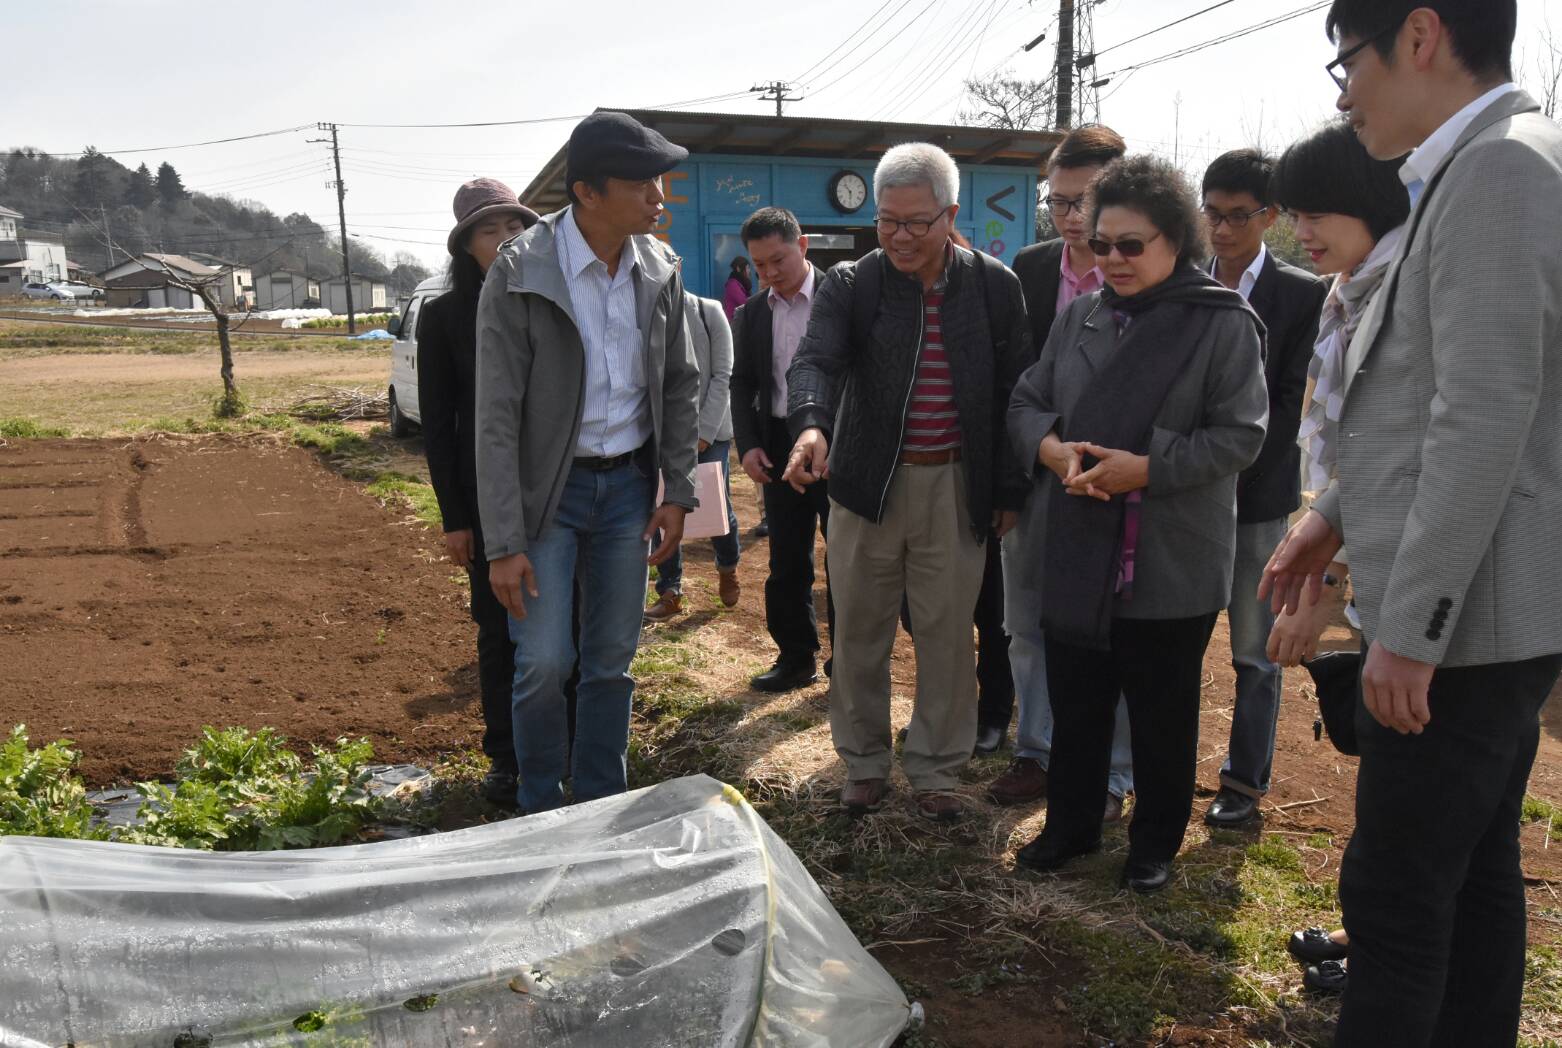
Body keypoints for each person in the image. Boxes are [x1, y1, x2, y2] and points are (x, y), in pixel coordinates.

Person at [1262, 2, 1562, 1042]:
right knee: (1470, 878)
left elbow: (1484, 416)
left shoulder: (1498, 170)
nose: (1344, 90)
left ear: (1420, 36)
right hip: (1479, 617)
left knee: (1394, 896)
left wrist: (1410, 631)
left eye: (1347, 59)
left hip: (1467, 626)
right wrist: (1332, 515)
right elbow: (1429, 397)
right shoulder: (1477, 167)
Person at [1010, 155, 1267, 892]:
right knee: (1078, 701)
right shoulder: (1081, 316)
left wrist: (1146, 468)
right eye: (1101, 244)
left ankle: (1154, 843)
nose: (1113, 260)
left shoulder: (1221, 323)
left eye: (1132, 244)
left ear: (1175, 240)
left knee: (1161, 713)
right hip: (1078, 544)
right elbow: (1026, 401)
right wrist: (1054, 450)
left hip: (1169, 554)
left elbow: (1241, 437)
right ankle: (1071, 826)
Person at [784, 142, 1029, 822]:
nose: (898, 236)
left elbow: (1017, 391)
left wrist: (1008, 488)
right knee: (859, 631)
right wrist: (811, 425)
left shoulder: (994, 287)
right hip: (866, 487)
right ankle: (864, 762)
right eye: (887, 221)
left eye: (916, 222)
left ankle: (936, 768)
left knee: (947, 636)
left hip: (955, 485)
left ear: (950, 215)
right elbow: (815, 360)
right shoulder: (852, 284)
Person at [475, 111, 701, 814]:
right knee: (544, 662)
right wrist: (503, 541)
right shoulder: (521, 272)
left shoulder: (657, 269)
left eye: (660, 181)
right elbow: (495, 416)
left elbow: (680, 383)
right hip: (550, 496)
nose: (659, 197)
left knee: (610, 662)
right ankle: (540, 808)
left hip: (628, 489)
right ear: (587, 192)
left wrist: (677, 491)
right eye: (641, 184)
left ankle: (603, 804)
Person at [1263, 117, 1412, 998]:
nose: (1302, 230)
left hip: (1413, 586)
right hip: (1360, 555)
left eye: (1315, 212)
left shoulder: (1408, 295)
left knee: (1414, 808)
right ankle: (1372, 939)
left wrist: (1326, 586)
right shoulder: (1350, 291)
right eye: (1297, 212)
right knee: (1391, 790)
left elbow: (1396, 467)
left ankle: (1388, 968)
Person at [993, 124, 1135, 819]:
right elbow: (1014, 380)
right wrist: (1025, 467)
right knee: (1026, 623)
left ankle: (1111, 771)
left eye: (1086, 201)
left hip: (1121, 485)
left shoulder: (1146, 271)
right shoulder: (1030, 267)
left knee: (1113, 634)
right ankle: (1037, 750)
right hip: (1040, 472)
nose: (1072, 217)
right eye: (1058, 201)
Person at [1199, 150, 1328, 828]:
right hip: (1185, 502)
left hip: (1255, 502)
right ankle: (1144, 771)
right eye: (1212, 214)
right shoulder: (1184, 282)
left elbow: (1288, 403)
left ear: (1269, 215)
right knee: (1170, 642)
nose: (1221, 230)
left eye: (1237, 216)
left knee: (1255, 652)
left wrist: (1220, 464)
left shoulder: (1302, 294)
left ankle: (1243, 785)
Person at [417, 178, 539, 808]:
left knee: (564, 622)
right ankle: (507, 757)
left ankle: (562, 744)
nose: (506, 239)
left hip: (556, 488)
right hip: (486, 497)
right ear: (466, 246)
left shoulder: (551, 297)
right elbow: (439, 426)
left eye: (516, 226)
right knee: (499, 627)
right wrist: (455, 518)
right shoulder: (444, 317)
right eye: (490, 231)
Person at [728, 207, 833, 692]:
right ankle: (795, 657)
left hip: (836, 446)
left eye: (778, 260)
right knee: (787, 559)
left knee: (845, 559)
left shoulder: (840, 297)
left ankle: (847, 662)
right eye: (759, 265)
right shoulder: (752, 313)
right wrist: (749, 445)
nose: (769, 273)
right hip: (776, 445)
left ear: (803, 245)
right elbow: (743, 382)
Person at [643, 289, 741, 621]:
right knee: (663, 504)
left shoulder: (709, 311)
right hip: (664, 434)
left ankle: (727, 566)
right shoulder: (645, 313)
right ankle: (670, 590)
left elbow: (723, 375)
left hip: (709, 432)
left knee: (716, 506)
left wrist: (703, 432)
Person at [722, 256, 751, 321]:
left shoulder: (742, 283)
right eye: (747, 268)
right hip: (734, 321)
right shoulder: (732, 284)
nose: (749, 271)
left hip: (741, 320)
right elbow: (743, 302)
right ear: (738, 268)